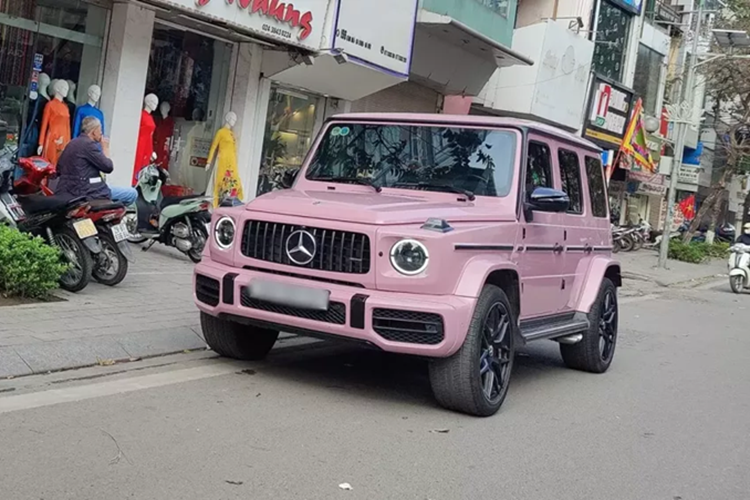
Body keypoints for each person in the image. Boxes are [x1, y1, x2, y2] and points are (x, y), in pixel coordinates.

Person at [54, 116, 137, 205]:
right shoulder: (89, 145)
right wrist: (105, 148)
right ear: (94, 132)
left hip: (66, 190)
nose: (101, 133)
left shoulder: (71, 143)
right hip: (86, 191)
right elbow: (108, 167)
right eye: (100, 130)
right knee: (132, 193)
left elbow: (59, 168)